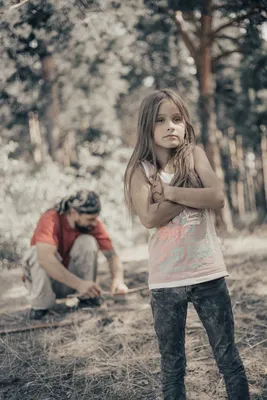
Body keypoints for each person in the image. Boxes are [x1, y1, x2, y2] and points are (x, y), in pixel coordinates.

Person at [124, 88, 250, 400]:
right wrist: (194, 191)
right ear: (147, 127)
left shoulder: (195, 156)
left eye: (177, 119)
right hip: (166, 281)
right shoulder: (139, 170)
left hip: (207, 273)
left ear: (185, 123)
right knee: (172, 366)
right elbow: (149, 218)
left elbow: (217, 197)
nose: (170, 126)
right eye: (161, 120)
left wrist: (169, 192)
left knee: (227, 358)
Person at [22, 189, 128, 320]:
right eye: (91, 219)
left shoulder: (91, 225)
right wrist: (79, 284)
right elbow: (45, 260)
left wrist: (118, 280)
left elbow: (112, 255)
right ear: (74, 213)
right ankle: (40, 307)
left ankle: (87, 298)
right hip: (46, 284)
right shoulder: (50, 218)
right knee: (37, 253)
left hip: (73, 283)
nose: (95, 223)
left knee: (87, 241)